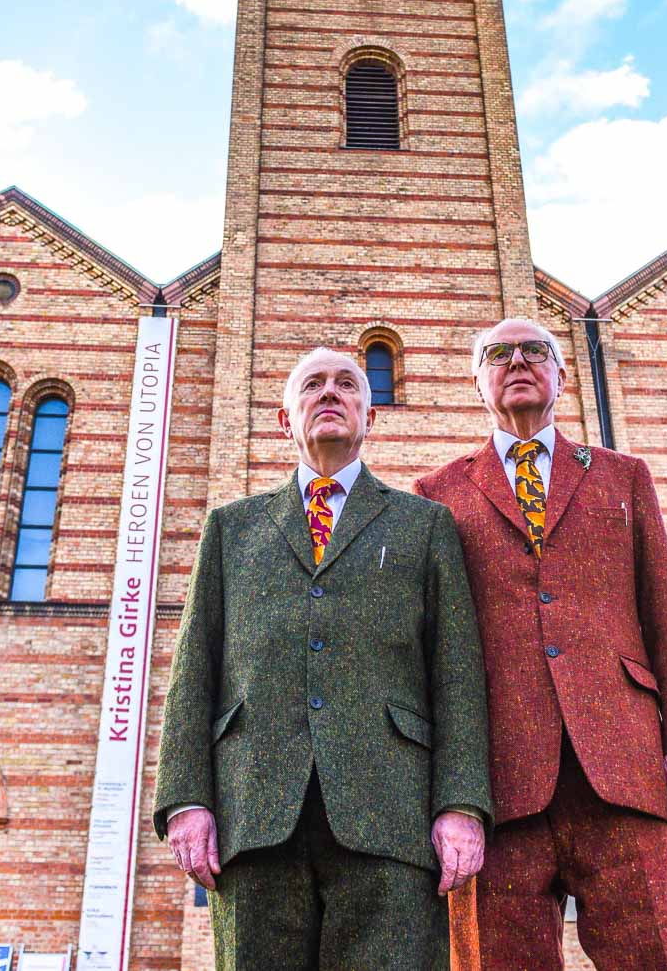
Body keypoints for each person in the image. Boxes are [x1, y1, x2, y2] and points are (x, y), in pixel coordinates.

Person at [154, 346, 493, 971]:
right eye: (313, 385)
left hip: (392, 814)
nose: (330, 393)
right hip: (254, 812)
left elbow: (458, 677)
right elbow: (193, 672)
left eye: (347, 385)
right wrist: (184, 800)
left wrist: (462, 806)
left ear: (371, 417)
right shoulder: (231, 529)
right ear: (286, 419)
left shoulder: (425, 526)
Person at [414, 318, 667, 971]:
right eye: (497, 353)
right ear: (477, 380)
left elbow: (666, 613)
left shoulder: (623, 477)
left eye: (535, 351)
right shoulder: (435, 497)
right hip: (498, 786)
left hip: (625, 768)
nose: (517, 361)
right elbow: (430, 650)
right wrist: (445, 791)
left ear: (562, 373)